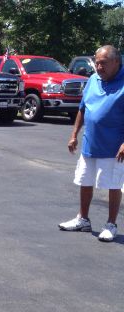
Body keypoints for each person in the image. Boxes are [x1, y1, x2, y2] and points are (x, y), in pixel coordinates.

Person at [59, 45, 124, 242]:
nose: (98, 67)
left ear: (116, 63)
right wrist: (74, 135)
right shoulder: (93, 80)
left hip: (114, 147)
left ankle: (111, 224)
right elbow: (82, 108)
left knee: (113, 184)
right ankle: (83, 219)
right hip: (90, 143)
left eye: (103, 63)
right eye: (96, 63)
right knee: (85, 181)